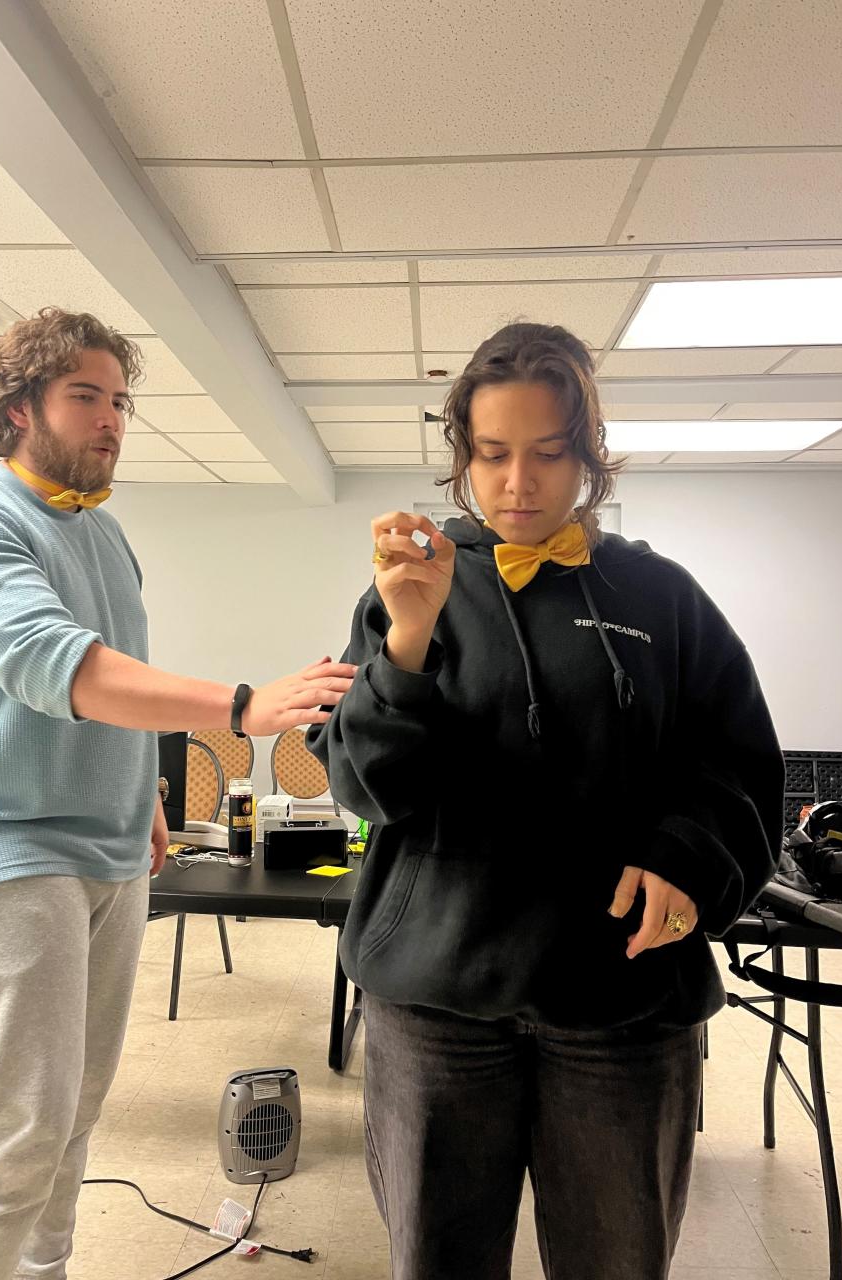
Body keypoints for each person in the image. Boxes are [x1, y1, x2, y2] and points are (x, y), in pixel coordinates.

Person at [308, 322, 783, 1280]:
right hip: (436, 1004)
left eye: (547, 453)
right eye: (492, 455)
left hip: (621, 1006)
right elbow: (366, 787)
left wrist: (689, 857)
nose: (517, 482)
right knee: (437, 1261)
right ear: (463, 460)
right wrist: (405, 641)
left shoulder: (663, 598)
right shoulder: (412, 588)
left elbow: (739, 767)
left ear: (589, 459)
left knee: (617, 1262)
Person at [0, 307, 356, 1280]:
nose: (111, 419)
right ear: (19, 407)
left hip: (106, 850)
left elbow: (119, 678)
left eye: (120, 401)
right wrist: (243, 702)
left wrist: (140, 793)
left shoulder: (102, 536)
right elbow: (54, 665)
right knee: (14, 1130)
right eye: (86, 397)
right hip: (4, 851)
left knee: (71, 1116)